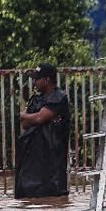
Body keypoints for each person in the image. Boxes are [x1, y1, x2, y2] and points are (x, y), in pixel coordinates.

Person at [15, 63, 71, 198]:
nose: (34, 82)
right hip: (31, 159)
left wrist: (26, 115)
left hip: (51, 159)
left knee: (52, 198)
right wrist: (31, 118)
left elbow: (39, 118)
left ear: (47, 80)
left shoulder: (58, 97)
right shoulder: (36, 99)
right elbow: (25, 124)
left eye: (37, 78)